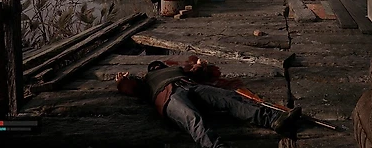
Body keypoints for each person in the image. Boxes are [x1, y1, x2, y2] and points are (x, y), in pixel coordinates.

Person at [115, 56, 301, 148]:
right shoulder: (146, 80)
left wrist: (199, 66)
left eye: (158, 65)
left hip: (191, 86)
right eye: (153, 67)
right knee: (193, 119)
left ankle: (274, 119)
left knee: (230, 98)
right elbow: (131, 89)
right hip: (168, 96)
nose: (156, 67)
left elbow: (199, 72)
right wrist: (122, 81)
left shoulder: (177, 69)